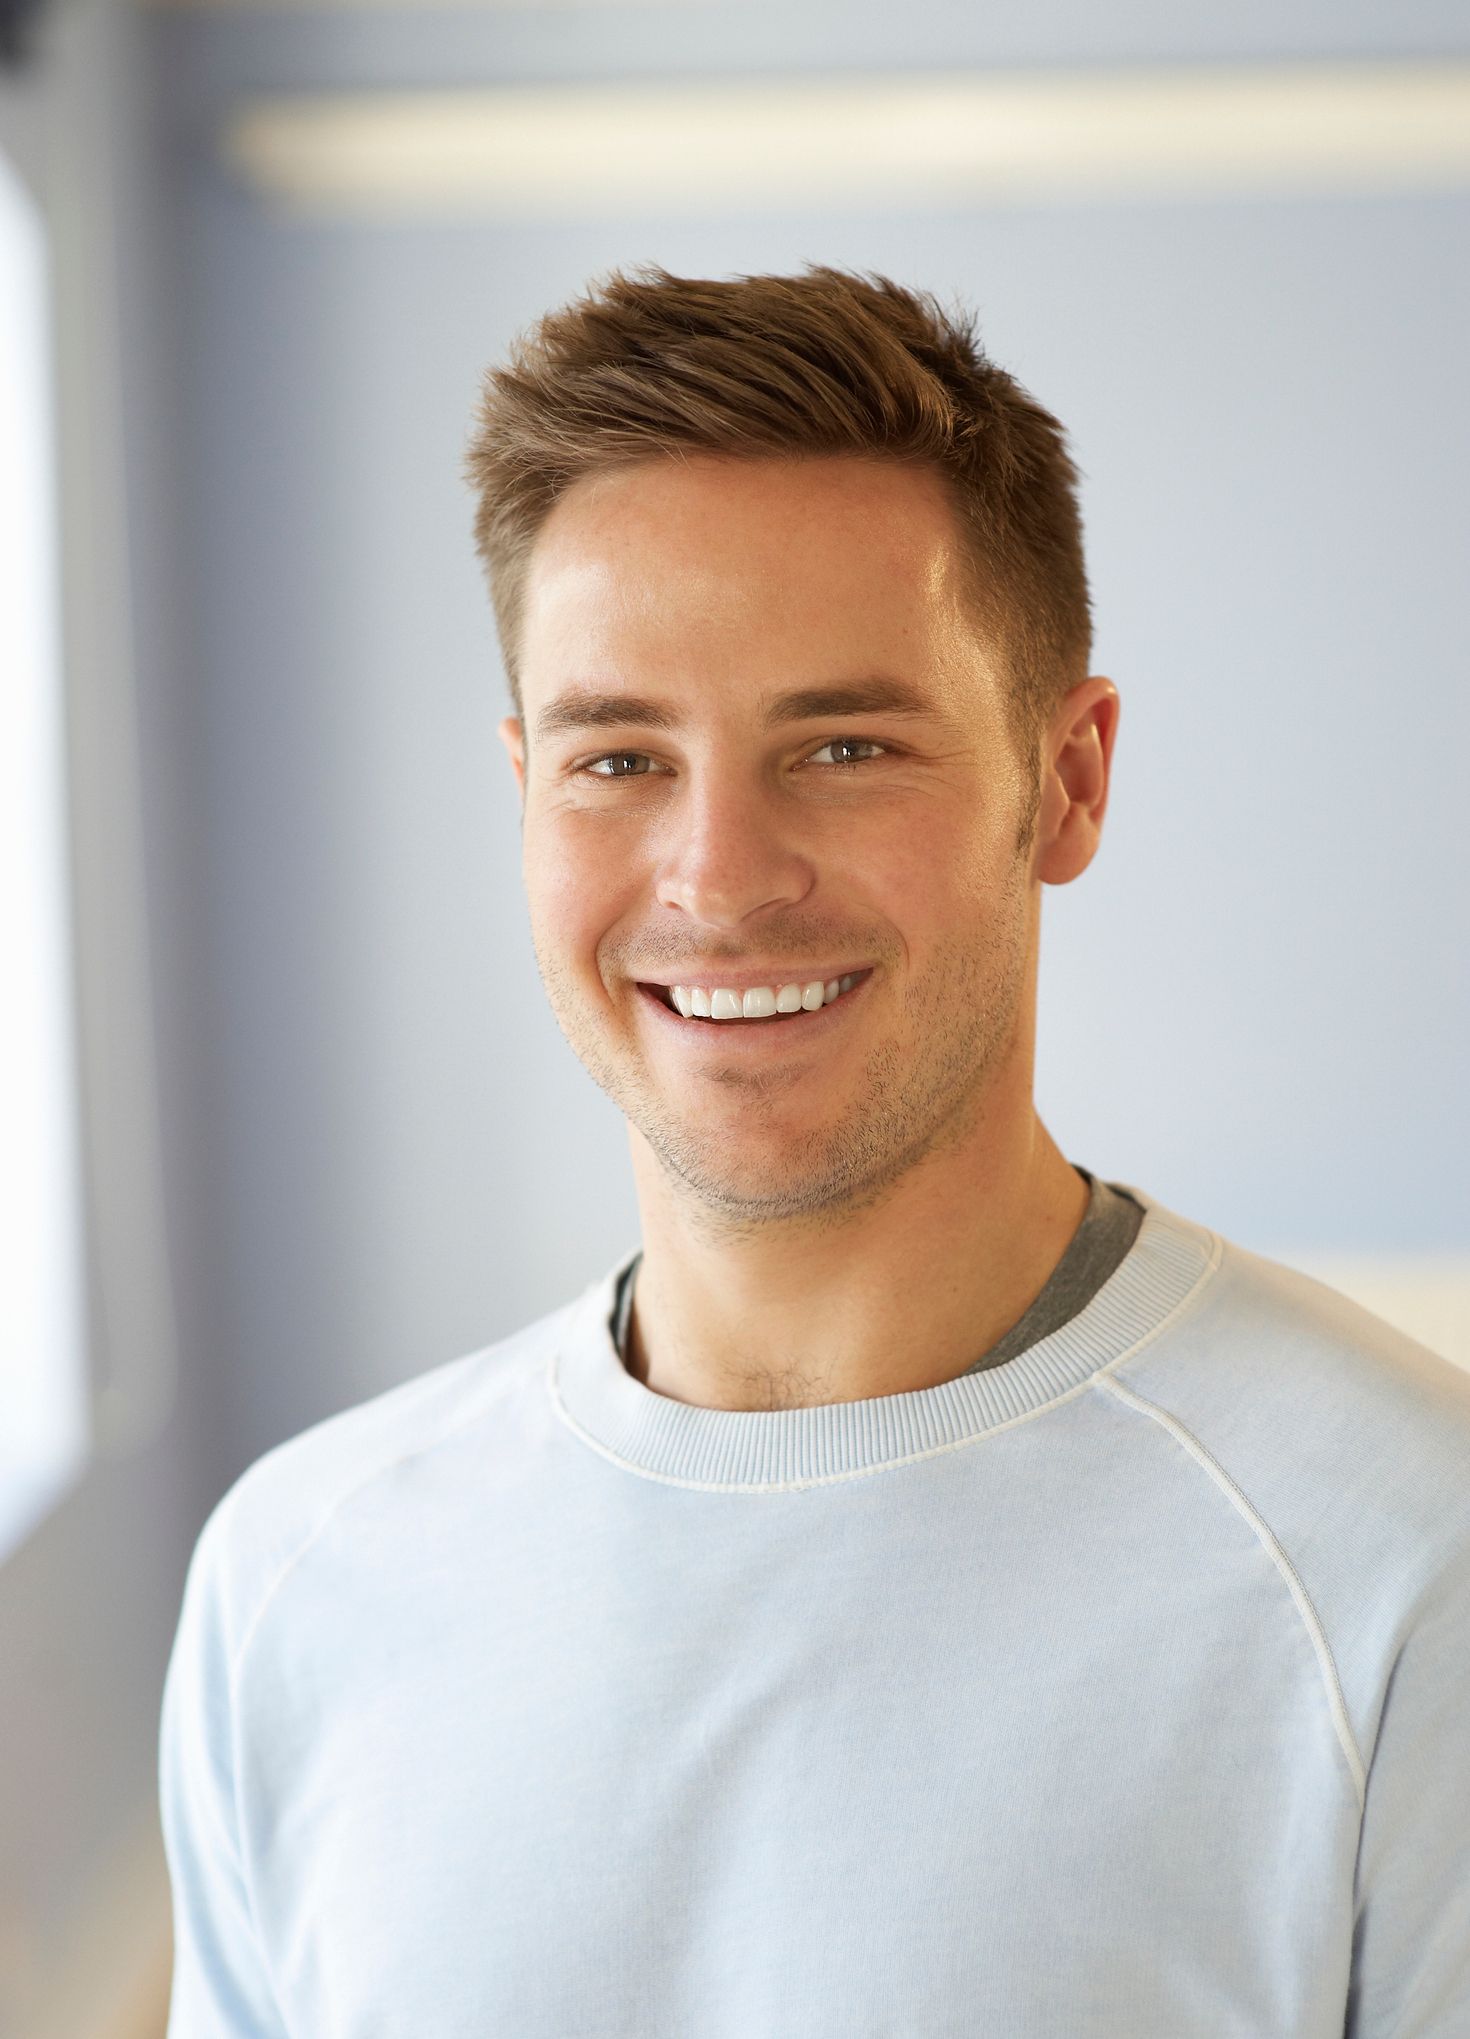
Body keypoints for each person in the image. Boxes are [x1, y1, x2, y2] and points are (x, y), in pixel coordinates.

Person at [160, 265, 1470, 2037]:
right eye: (618, 758)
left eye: (844, 744)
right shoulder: (297, 1579)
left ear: (1065, 780)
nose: (717, 876)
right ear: (523, 794)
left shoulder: (1404, 1565)